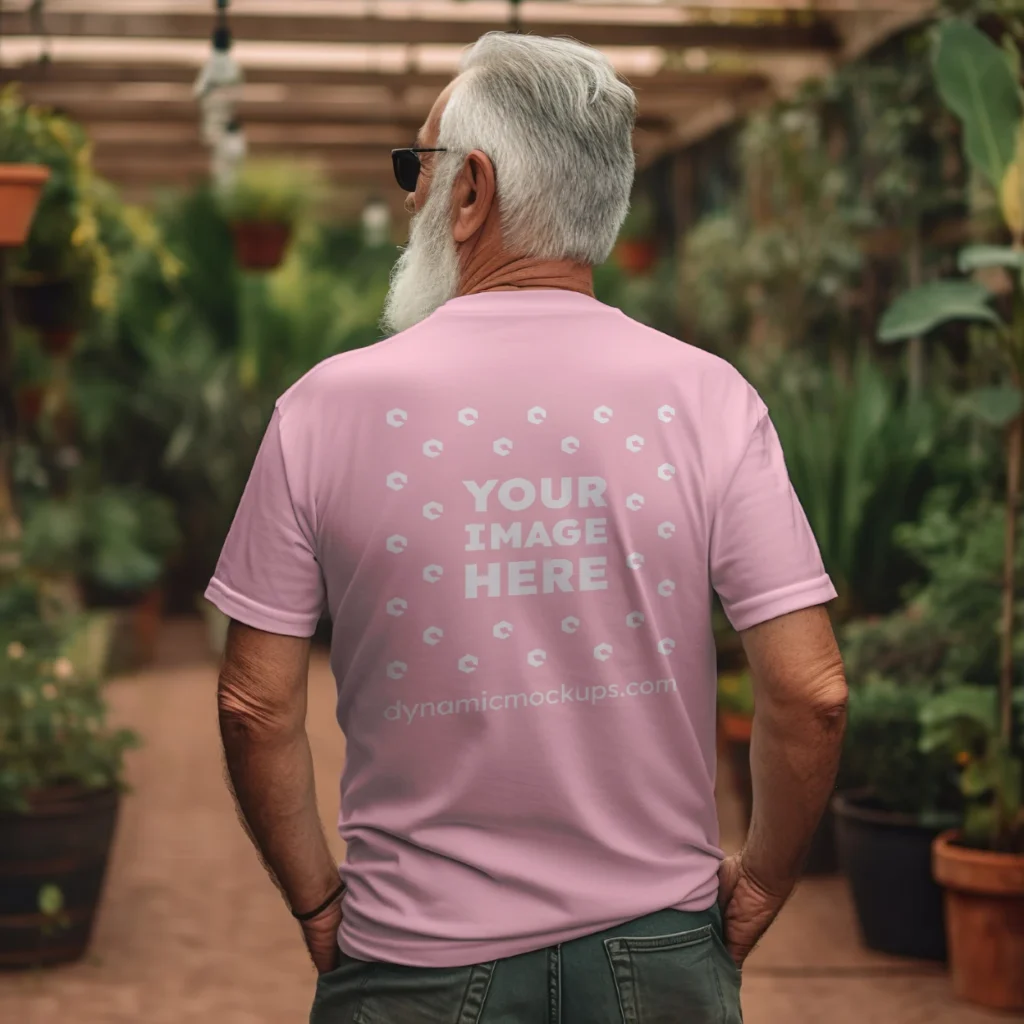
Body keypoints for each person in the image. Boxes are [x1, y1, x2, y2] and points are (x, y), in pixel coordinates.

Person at [208, 31, 848, 1024]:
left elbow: (253, 704)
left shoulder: (322, 411)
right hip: (659, 956)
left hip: (412, 959)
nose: (407, 198)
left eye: (418, 169)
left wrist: (318, 898)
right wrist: (758, 883)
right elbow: (810, 691)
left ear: (471, 191)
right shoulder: (709, 399)